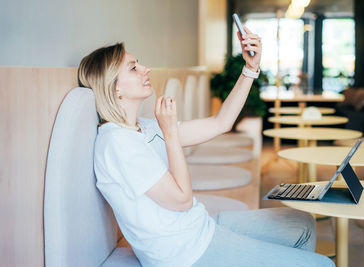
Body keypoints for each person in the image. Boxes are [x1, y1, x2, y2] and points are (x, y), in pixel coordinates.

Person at [78, 27, 334, 267]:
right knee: (324, 264)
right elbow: (182, 201)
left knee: (302, 224)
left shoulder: (144, 127)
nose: (146, 69)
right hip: (183, 252)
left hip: (198, 228)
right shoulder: (117, 143)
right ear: (115, 88)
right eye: (133, 68)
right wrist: (170, 134)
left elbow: (221, 122)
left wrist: (250, 70)